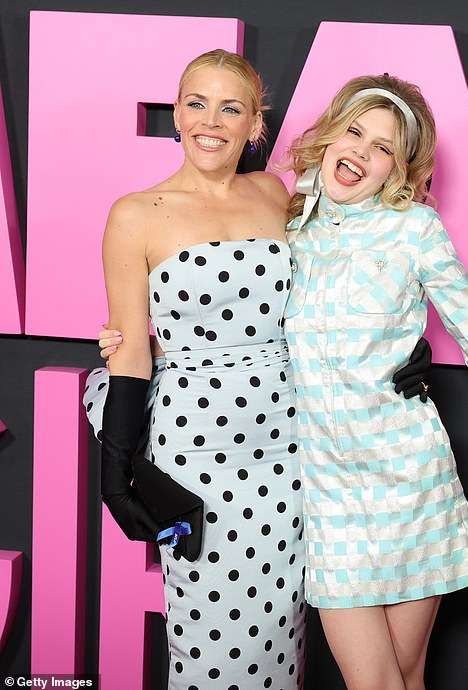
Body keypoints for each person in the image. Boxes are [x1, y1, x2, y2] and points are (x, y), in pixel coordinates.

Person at [276, 74, 468, 690]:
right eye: (355, 132)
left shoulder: (413, 229)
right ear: (330, 135)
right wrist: (132, 333)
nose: (361, 154)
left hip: (410, 479)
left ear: (399, 171)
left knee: (406, 677)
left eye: (383, 149)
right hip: (325, 492)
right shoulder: (288, 228)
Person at [93, 49, 308, 690]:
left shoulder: (275, 194)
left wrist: (402, 345)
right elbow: (131, 351)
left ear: (254, 127)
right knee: (213, 642)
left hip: (293, 444)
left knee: (284, 632)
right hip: (198, 450)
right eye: (197, 103)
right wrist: (115, 473)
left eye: (231, 108)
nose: (211, 120)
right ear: (178, 115)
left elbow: (326, 298)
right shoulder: (135, 214)